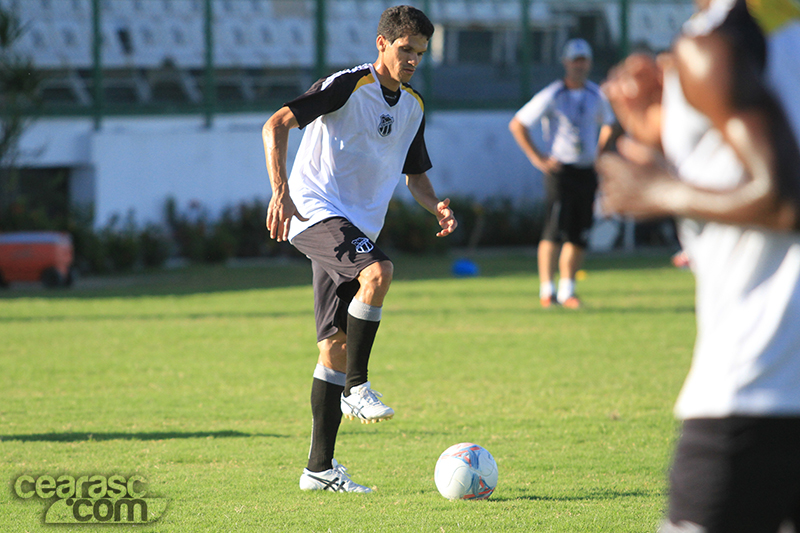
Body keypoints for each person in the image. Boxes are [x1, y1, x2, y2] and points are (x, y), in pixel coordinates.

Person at [597, 0, 800, 530]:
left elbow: (783, 199)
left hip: (759, 382)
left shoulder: (716, 43)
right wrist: (669, 140)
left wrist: (657, 190)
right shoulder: (773, 34)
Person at [261, 5, 457, 493]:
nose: (412, 60)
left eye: (420, 53)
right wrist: (280, 191)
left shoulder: (413, 106)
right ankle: (358, 387)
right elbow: (276, 124)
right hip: (313, 210)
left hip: (354, 226)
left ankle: (319, 469)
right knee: (378, 273)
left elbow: (415, 175)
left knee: (334, 347)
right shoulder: (349, 85)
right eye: (405, 49)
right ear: (381, 44)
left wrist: (435, 205)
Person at [509, 38, 616, 309]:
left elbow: (610, 124)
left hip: (586, 170)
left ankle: (569, 290)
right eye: (575, 60)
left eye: (584, 60)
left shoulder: (596, 94)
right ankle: (547, 289)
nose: (579, 66)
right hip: (561, 172)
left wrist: (600, 152)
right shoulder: (553, 94)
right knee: (554, 230)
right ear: (566, 63)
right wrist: (538, 157)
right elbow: (519, 123)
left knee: (579, 234)